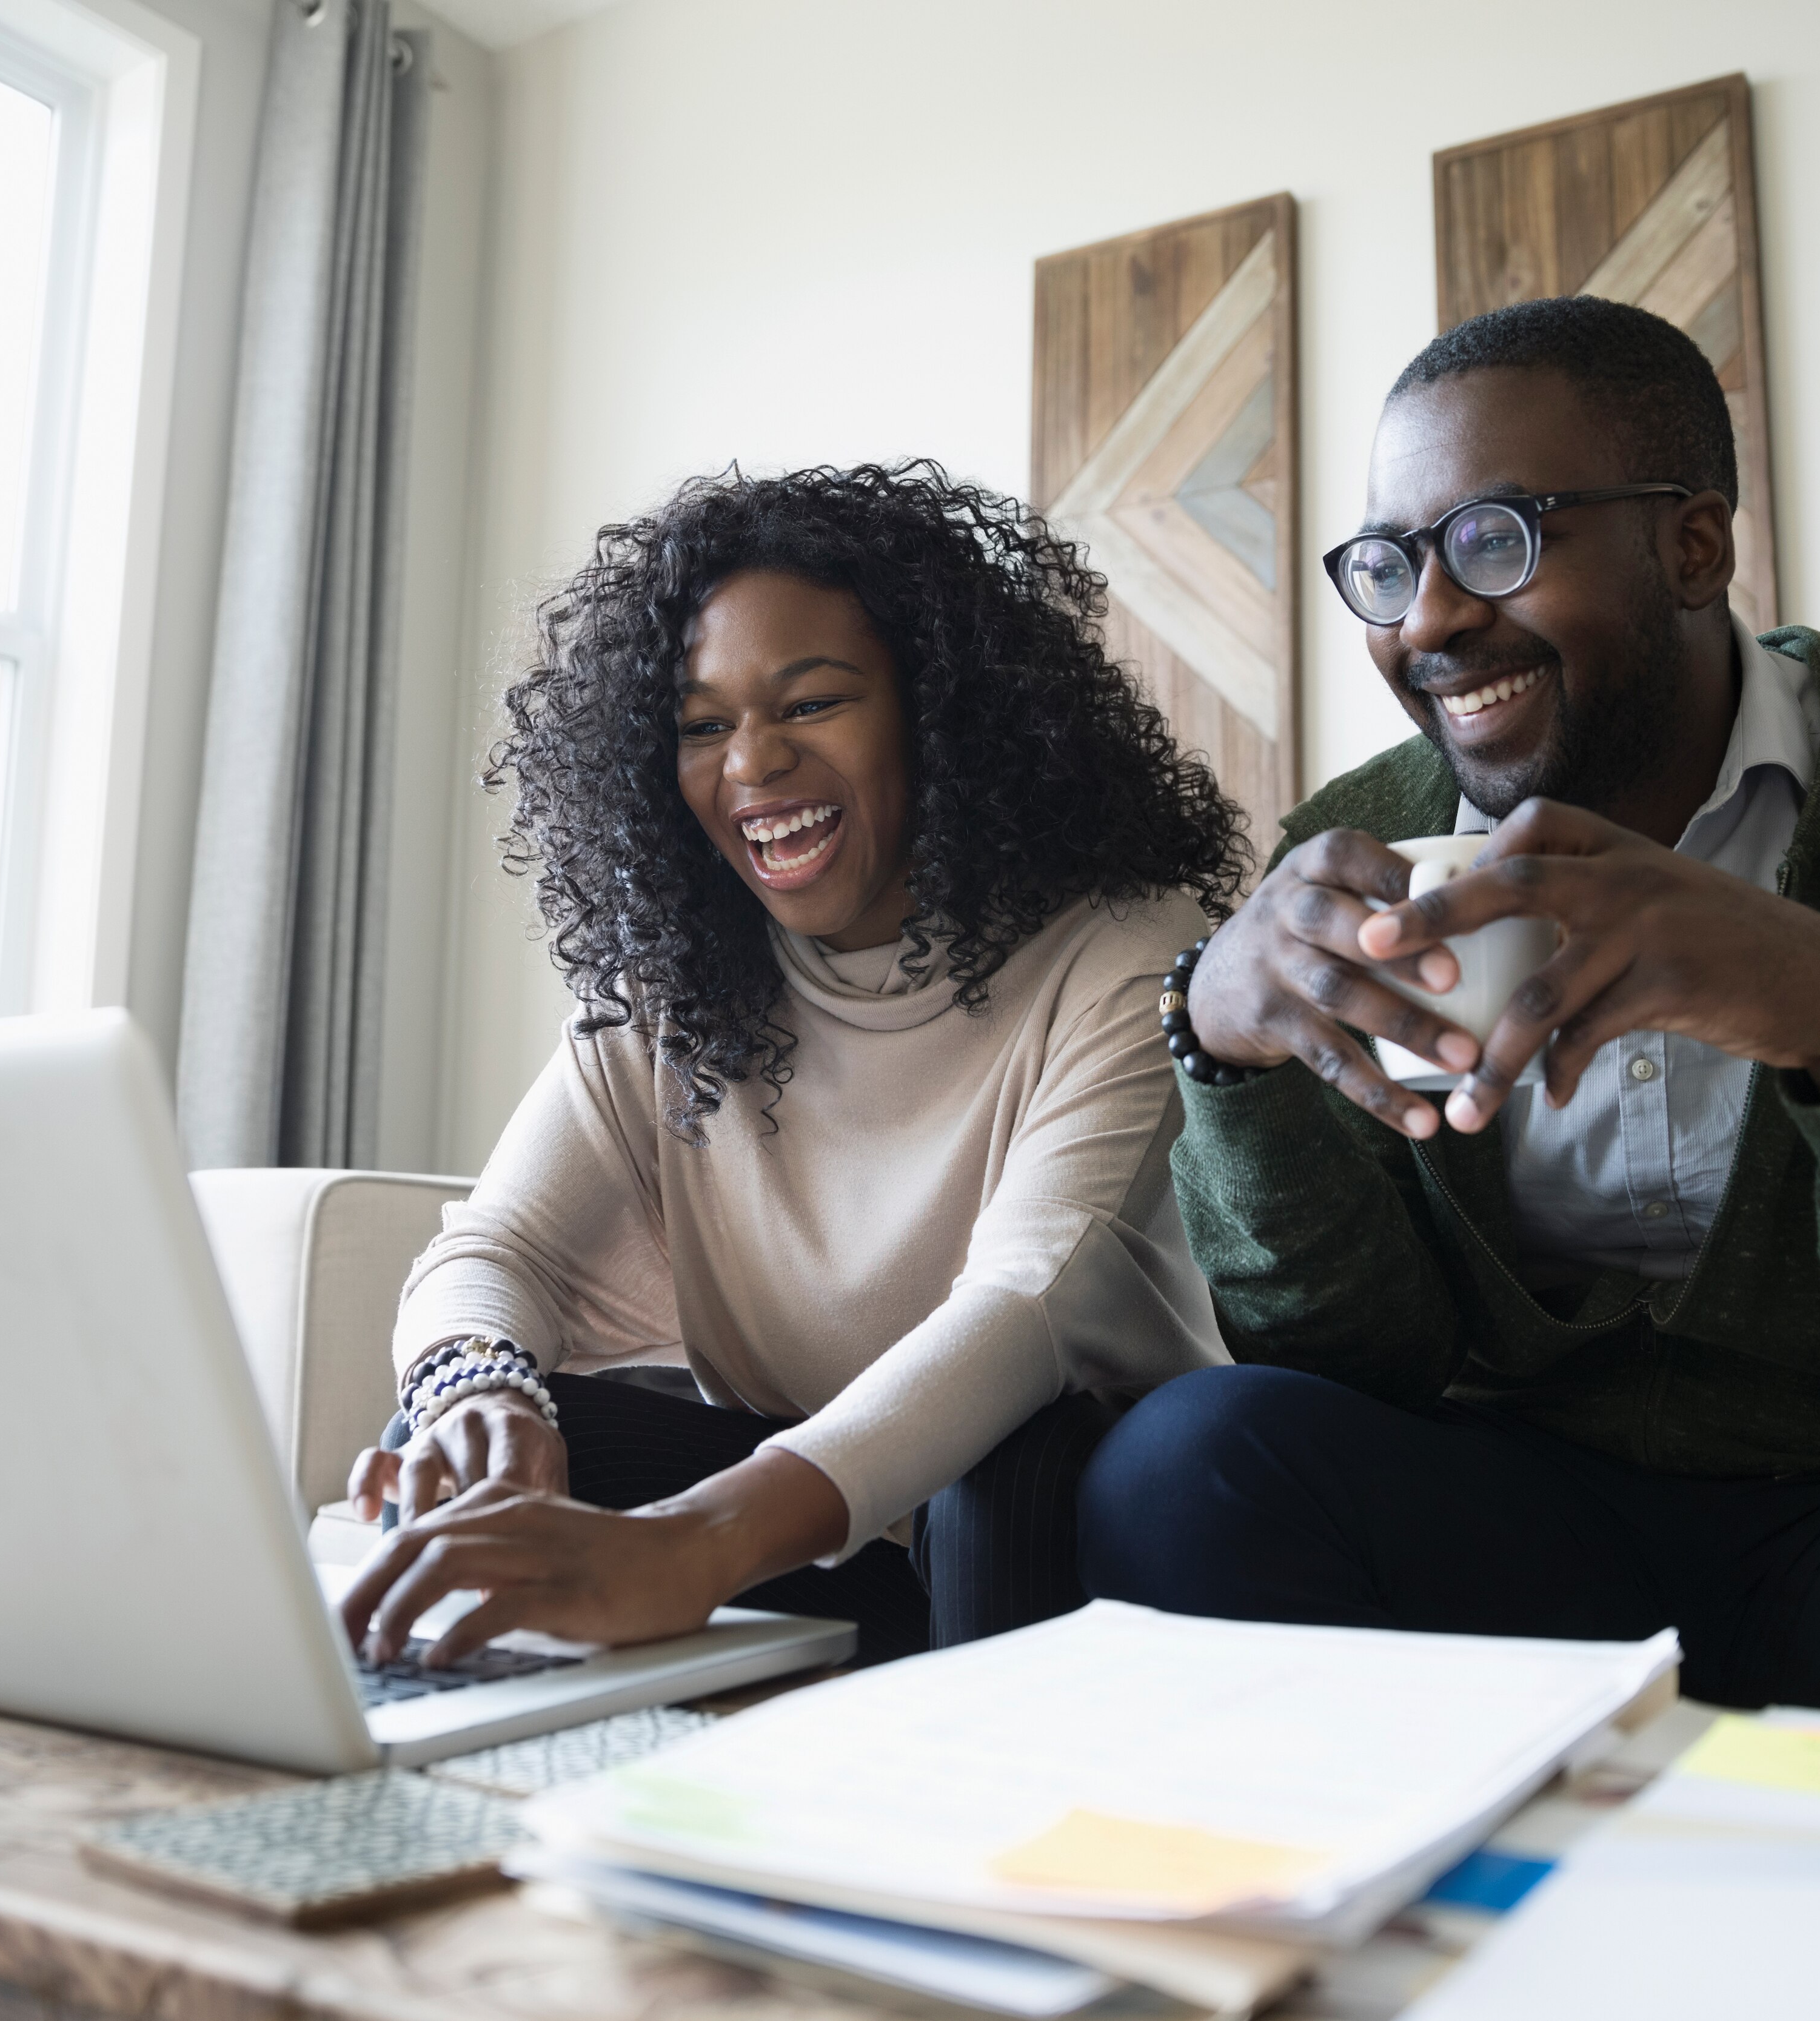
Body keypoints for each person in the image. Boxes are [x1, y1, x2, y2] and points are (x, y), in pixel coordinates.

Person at [1079, 297, 1820, 1743]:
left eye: (1496, 540)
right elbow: (1350, 1364)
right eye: (1392, 564)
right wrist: (1224, 1048)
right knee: (1184, 1458)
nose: (1432, 620)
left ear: (1693, 544)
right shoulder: (1355, 850)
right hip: (1516, 1543)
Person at [341, 462, 1247, 1669]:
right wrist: (481, 1389)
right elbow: (495, 1247)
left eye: (811, 703)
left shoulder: (1130, 951)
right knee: (467, 1439)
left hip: (1058, 1535)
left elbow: (1029, 1301)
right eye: (704, 725)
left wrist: (695, 1544)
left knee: (1004, 1468)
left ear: (941, 712)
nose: (751, 764)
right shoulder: (680, 988)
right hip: (829, 1527)